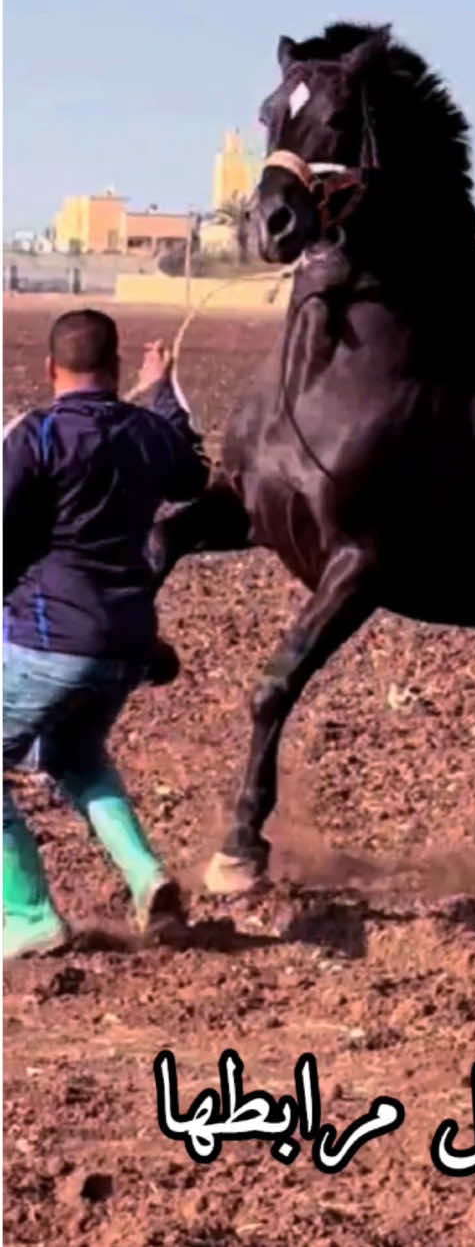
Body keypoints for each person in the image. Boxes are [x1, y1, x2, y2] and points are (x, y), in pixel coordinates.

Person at [3, 309, 210, 959]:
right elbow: (191, 471)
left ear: (49, 369)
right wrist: (162, 392)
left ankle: (28, 915)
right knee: (76, 757)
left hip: (50, 635)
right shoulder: (148, 431)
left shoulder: (37, 436)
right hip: (126, 640)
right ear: (117, 369)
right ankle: (147, 878)